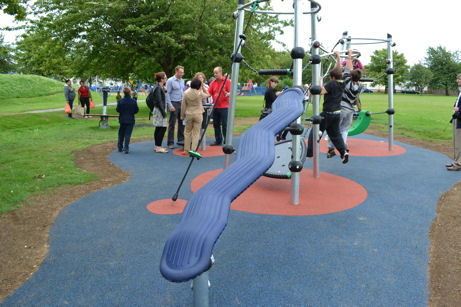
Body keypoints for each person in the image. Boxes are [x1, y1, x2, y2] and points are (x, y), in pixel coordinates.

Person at [307, 51, 349, 164]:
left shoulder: (331, 84)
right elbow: (339, 70)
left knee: (314, 131)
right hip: (337, 114)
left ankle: (309, 153)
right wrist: (338, 56)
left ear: (332, 77)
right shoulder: (342, 83)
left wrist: (319, 81)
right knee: (336, 135)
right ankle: (343, 151)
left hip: (327, 114)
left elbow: (321, 92)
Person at [326, 49, 362, 157]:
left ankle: (331, 148)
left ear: (350, 76)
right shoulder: (359, 87)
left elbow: (347, 68)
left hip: (341, 107)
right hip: (351, 110)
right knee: (344, 129)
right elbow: (350, 70)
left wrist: (349, 55)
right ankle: (343, 146)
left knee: (333, 128)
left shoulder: (346, 81)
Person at [181, 77, 210, 153]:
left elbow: (183, 105)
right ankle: (193, 149)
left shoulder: (186, 93)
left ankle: (186, 149)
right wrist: (203, 87)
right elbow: (208, 94)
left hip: (189, 113)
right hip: (198, 113)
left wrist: (182, 115)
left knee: (187, 132)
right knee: (196, 133)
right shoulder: (200, 93)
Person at [208, 66, 231, 146]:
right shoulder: (212, 83)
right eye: (214, 73)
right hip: (215, 106)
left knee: (224, 124)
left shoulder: (227, 82)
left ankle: (226, 141)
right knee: (216, 124)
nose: (215, 74)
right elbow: (209, 93)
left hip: (224, 107)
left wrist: (228, 94)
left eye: (216, 73)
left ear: (220, 73)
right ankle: (218, 140)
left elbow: (232, 92)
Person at [166, 65, 186, 149]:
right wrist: (170, 105)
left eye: (182, 72)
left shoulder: (182, 81)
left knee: (182, 122)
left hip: (181, 103)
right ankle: (170, 142)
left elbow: (182, 91)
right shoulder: (170, 81)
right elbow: (167, 93)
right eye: (180, 72)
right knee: (172, 123)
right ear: (176, 72)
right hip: (174, 103)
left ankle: (181, 140)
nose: (182, 74)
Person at [116, 87, 139, 154]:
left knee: (121, 134)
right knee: (127, 134)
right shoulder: (133, 101)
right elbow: (136, 110)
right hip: (130, 119)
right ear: (130, 93)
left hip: (122, 119)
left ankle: (120, 147)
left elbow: (117, 109)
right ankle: (126, 148)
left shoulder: (120, 101)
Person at [151, 72, 169, 153]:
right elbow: (159, 101)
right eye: (165, 78)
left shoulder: (159, 87)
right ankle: (158, 146)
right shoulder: (158, 88)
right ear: (161, 79)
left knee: (158, 127)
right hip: (160, 110)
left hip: (159, 109)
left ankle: (157, 146)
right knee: (162, 128)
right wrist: (163, 113)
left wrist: (165, 91)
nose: (166, 79)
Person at [446, 74, 461, 171]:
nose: (457, 80)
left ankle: (459, 164)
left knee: (459, 143)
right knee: (456, 142)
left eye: (459, 79)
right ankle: (456, 161)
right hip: (457, 119)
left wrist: (459, 110)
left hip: (460, 119)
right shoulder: (460, 91)